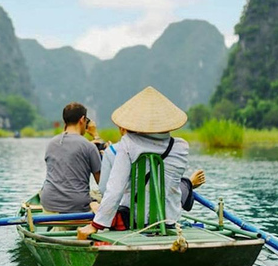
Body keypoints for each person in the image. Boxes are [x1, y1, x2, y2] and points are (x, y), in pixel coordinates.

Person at [78, 87, 197, 239]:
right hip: (169, 221)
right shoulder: (181, 147)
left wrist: (95, 225)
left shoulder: (128, 144)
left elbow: (115, 189)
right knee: (184, 184)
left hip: (134, 221)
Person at [40, 102, 102, 213]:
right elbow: (101, 183)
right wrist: (96, 136)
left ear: (65, 121)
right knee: (101, 197)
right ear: (83, 120)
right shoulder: (89, 146)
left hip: (48, 203)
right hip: (77, 207)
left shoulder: (51, 143)